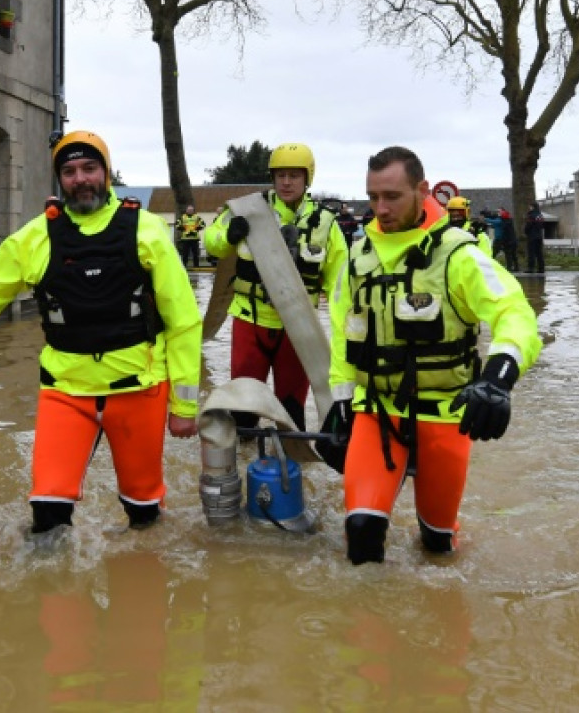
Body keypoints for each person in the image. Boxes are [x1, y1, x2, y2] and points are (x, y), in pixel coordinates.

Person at [0, 130, 201, 536]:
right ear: (59, 179)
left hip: (139, 391)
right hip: (66, 392)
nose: (80, 179)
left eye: (89, 168)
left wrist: (184, 405)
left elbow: (184, 321)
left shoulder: (148, 230)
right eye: (69, 171)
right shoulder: (33, 238)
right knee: (47, 513)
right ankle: (53, 589)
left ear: (106, 172)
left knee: (144, 514)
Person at [327, 146, 541, 563]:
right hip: (377, 412)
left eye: (392, 197)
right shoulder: (357, 257)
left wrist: (498, 378)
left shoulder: (458, 254)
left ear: (422, 190)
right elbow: (343, 331)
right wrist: (340, 401)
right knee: (361, 532)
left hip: (445, 413)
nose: (380, 209)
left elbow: (514, 312)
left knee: (438, 544)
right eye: (372, 197)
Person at [203, 142, 348, 430]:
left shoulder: (327, 224)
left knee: (292, 410)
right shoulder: (246, 210)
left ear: (307, 178)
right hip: (249, 320)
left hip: (298, 328)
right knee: (243, 410)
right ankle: (244, 456)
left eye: (294, 175)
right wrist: (228, 236)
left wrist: (346, 333)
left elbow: (341, 283)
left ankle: (292, 458)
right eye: (280, 175)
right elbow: (212, 242)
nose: (286, 182)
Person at [175, 204, 205, 269]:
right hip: (185, 238)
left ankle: (196, 266)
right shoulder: (182, 217)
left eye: (191, 210)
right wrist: (183, 229)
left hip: (195, 238)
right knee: (185, 253)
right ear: (186, 210)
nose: (190, 211)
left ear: (193, 211)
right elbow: (177, 225)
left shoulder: (197, 217)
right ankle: (184, 266)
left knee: (195, 254)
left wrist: (197, 229)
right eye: (189, 210)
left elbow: (203, 224)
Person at [524, 202, 547, 274]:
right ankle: (541, 268)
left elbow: (528, 225)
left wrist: (526, 231)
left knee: (531, 253)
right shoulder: (540, 215)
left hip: (532, 236)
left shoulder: (531, 215)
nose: (529, 208)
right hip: (539, 236)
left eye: (530, 206)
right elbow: (542, 225)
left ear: (532, 207)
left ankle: (531, 268)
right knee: (539, 253)